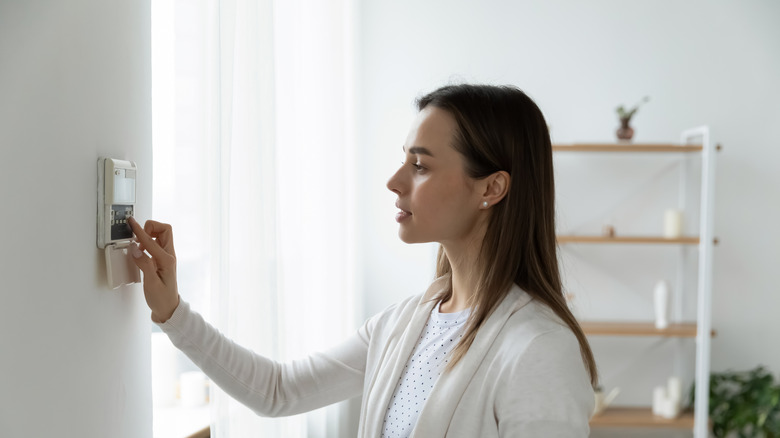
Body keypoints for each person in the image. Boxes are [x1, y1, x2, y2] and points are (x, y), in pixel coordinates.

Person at [128, 84, 598, 437]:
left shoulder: (539, 350)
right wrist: (172, 312)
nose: (394, 181)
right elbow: (278, 391)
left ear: (491, 188)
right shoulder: (402, 325)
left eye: (420, 165)